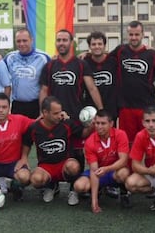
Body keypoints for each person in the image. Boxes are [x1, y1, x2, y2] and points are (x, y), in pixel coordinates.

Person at [39, 29, 103, 177]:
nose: (61, 43)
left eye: (64, 40)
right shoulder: (49, 66)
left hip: (75, 116)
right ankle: (52, 185)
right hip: (54, 117)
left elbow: (92, 88)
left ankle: (75, 187)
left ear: (71, 43)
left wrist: (100, 110)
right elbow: (43, 90)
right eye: (59, 40)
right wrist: (42, 113)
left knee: (77, 152)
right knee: (53, 150)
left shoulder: (81, 64)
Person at [23, 96, 93, 205]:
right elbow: (26, 142)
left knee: (73, 167)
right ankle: (51, 187)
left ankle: (73, 190)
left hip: (64, 164)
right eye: (55, 113)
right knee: (35, 180)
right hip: (46, 166)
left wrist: (90, 126)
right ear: (45, 113)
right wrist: (24, 158)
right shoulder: (34, 128)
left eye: (60, 112)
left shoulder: (66, 123)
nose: (59, 115)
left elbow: (82, 134)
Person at [109, 21, 155, 144]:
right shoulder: (120, 50)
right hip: (126, 107)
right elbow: (102, 57)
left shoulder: (152, 54)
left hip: (147, 107)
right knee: (128, 143)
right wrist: (87, 54)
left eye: (137, 34)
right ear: (127, 34)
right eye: (131, 34)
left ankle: (150, 164)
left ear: (143, 35)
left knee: (150, 143)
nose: (134, 38)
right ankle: (128, 164)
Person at [73, 109, 130, 213]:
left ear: (111, 123)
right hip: (99, 172)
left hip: (114, 171)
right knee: (79, 186)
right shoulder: (90, 141)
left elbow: (123, 160)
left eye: (103, 123)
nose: (99, 126)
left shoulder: (120, 134)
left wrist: (108, 168)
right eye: (97, 123)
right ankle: (97, 191)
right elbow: (94, 170)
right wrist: (94, 203)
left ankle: (123, 192)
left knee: (124, 173)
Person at [4, 28, 50, 118]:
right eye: (18, 41)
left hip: (36, 105)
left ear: (32, 40)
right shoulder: (9, 57)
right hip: (17, 105)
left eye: (25, 41)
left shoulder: (43, 58)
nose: (21, 44)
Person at [83, 31, 119, 121]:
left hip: (111, 109)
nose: (97, 47)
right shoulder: (84, 62)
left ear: (104, 46)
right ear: (89, 47)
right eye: (94, 44)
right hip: (91, 110)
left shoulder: (113, 61)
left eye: (100, 44)